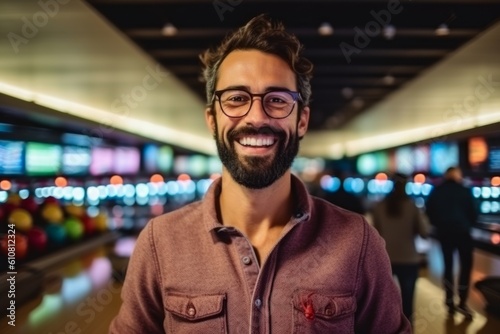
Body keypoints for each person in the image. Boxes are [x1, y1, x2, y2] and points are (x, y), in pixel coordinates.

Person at [109, 14, 410, 333]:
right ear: (212, 119)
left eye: (277, 100)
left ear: (302, 120)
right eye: (237, 99)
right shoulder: (161, 242)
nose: (256, 116)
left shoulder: (357, 241)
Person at [370, 173, 429, 325]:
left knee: (384, 303)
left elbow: (376, 233)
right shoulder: (412, 206)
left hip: (385, 259)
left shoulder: (379, 206)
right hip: (409, 258)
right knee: (408, 301)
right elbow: (424, 233)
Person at [425, 166, 477, 319]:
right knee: (466, 267)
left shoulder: (437, 191)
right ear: (457, 175)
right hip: (463, 233)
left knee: (448, 267)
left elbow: (429, 212)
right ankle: (462, 301)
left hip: (445, 233)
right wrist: (467, 224)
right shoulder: (465, 190)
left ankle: (449, 301)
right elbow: (474, 213)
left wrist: (439, 225)